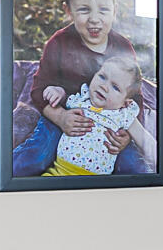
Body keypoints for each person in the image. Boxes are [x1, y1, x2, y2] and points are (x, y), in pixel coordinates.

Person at [12, 0, 151, 174]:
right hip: (69, 114)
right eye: (84, 10)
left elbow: (135, 97)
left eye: (103, 10)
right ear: (68, 10)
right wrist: (60, 118)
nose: (94, 19)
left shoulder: (123, 48)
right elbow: (38, 89)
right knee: (36, 154)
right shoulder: (59, 43)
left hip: (109, 122)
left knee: (133, 165)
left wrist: (125, 135)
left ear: (115, 10)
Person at [27, 51, 152, 180]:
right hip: (60, 172)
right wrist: (56, 91)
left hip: (95, 181)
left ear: (125, 102)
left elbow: (145, 141)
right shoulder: (82, 99)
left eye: (115, 87)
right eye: (102, 77)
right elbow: (63, 97)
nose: (104, 87)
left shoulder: (123, 114)